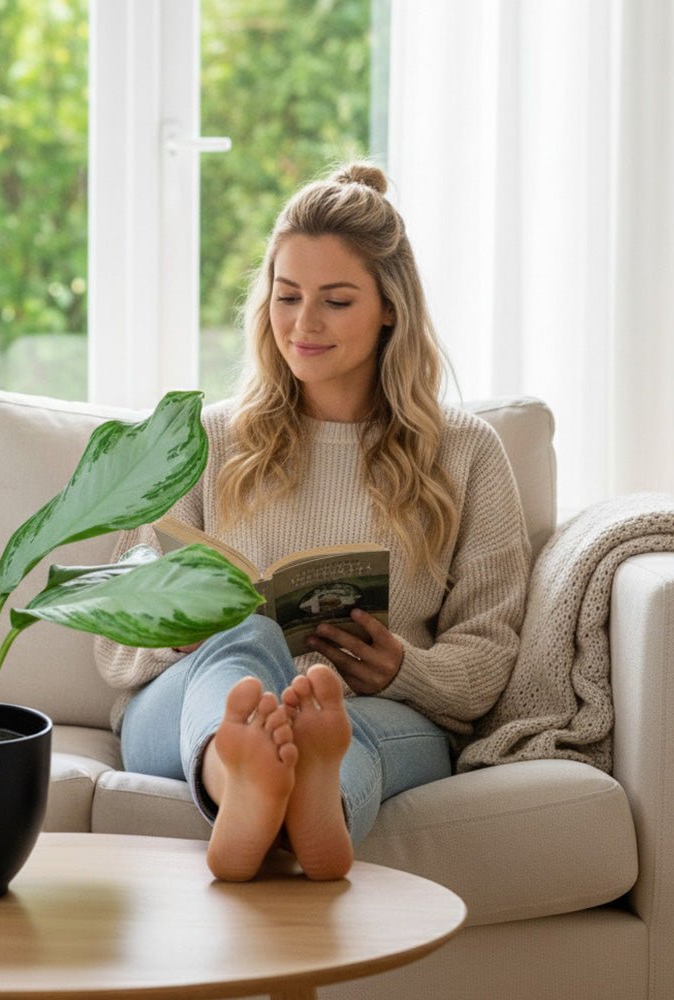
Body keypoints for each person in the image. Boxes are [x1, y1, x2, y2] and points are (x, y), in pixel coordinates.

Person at [94, 162, 531, 882]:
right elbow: (113, 638)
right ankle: (241, 777)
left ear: (390, 307)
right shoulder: (209, 439)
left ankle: (306, 798)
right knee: (249, 631)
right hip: (189, 704)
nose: (303, 324)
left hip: (374, 708)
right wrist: (178, 631)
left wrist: (404, 668)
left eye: (336, 301)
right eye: (287, 296)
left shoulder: (465, 453)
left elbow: (487, 655)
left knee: (325, 722)